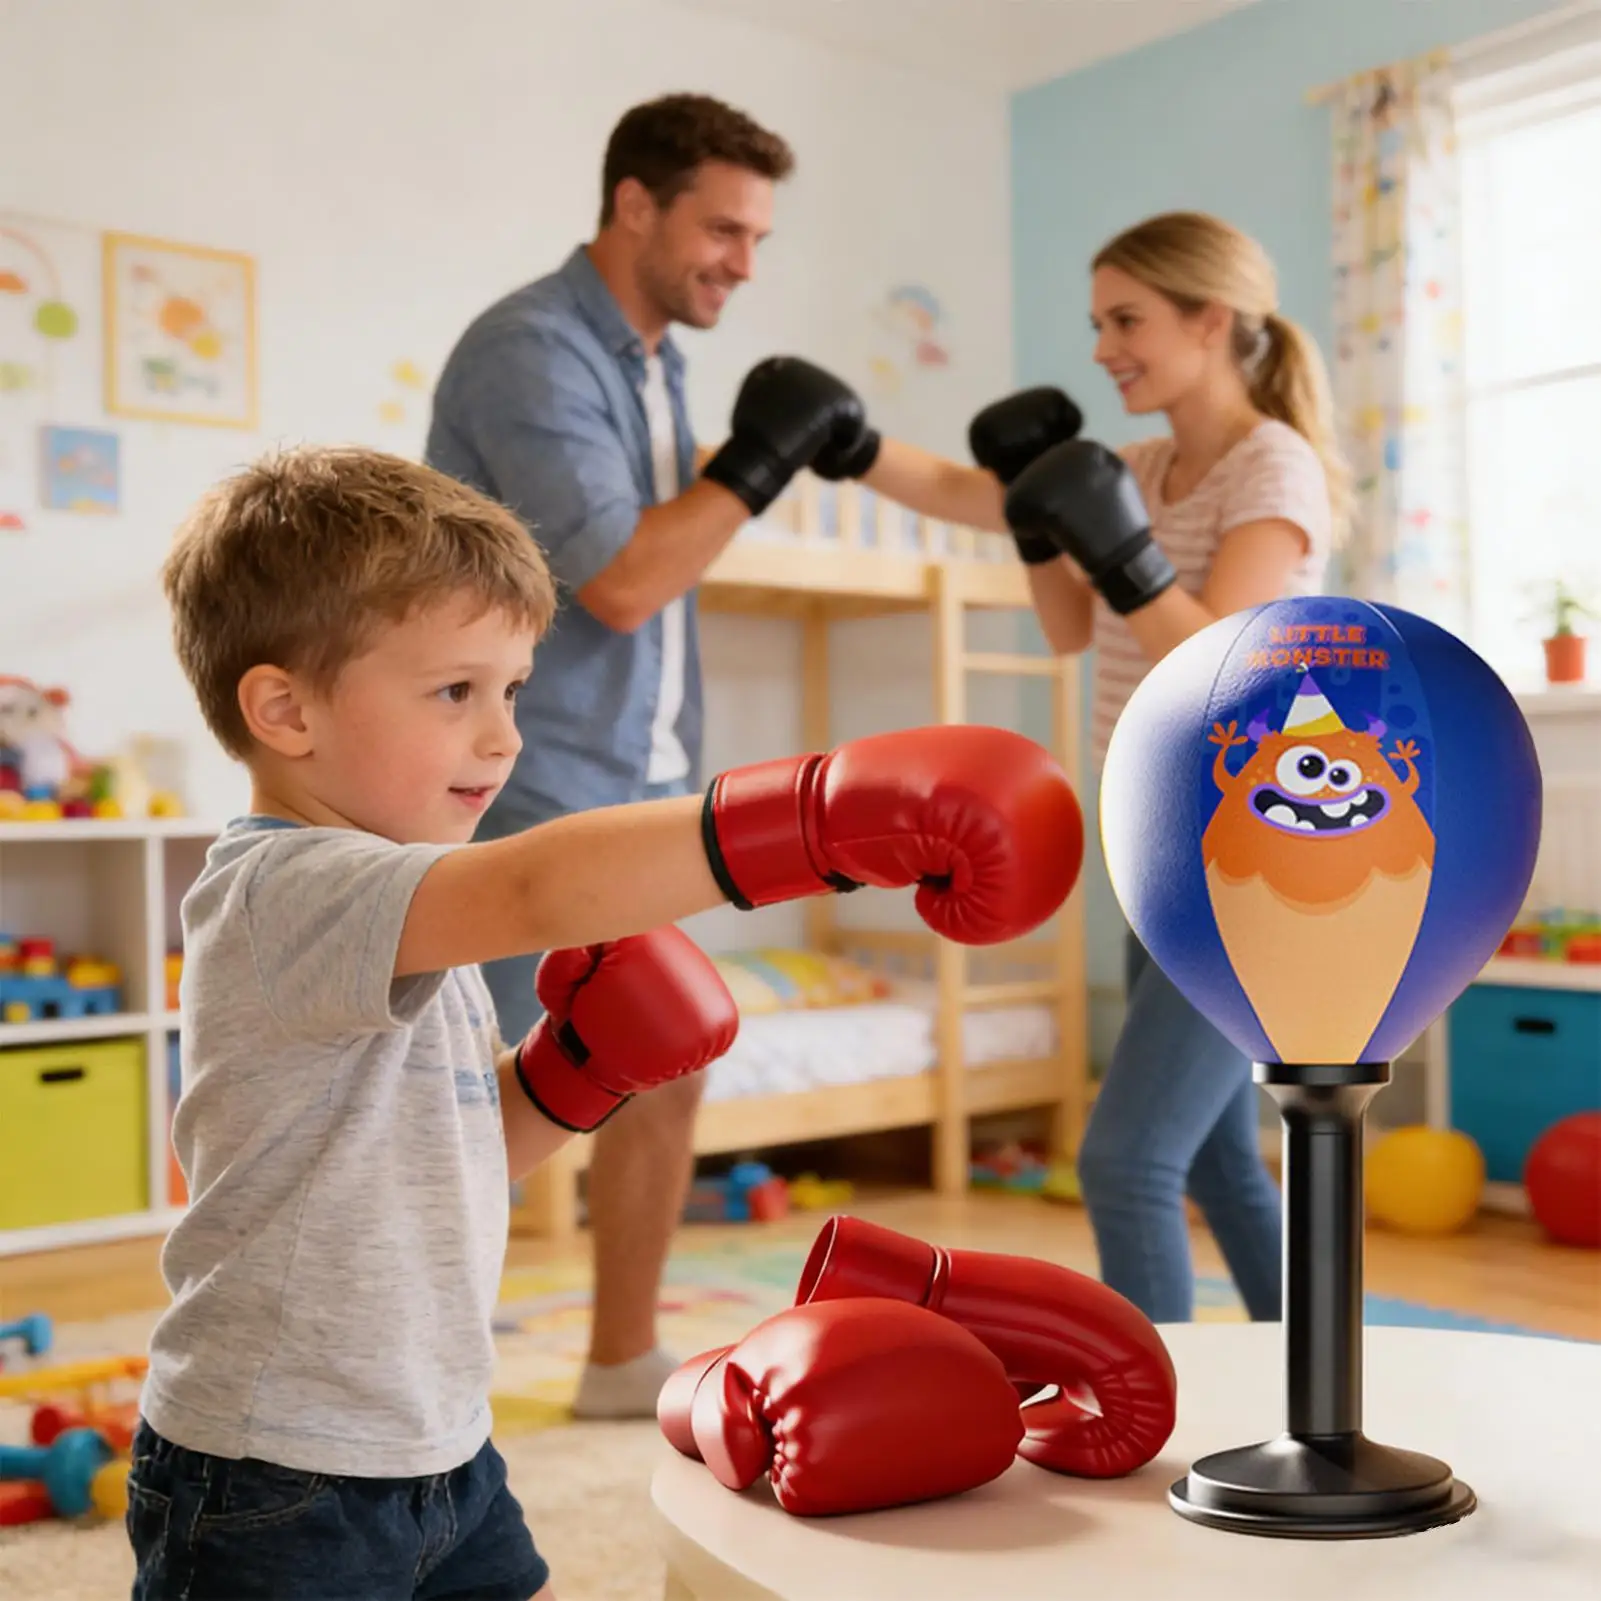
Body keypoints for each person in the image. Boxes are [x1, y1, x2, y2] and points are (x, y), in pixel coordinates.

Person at [129, 444, 1078, 1598]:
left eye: (512, 689)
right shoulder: (288, 890)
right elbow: (540, 886)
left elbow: (468, 1154)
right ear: (284, 709)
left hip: (436, 1440)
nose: (502, 736)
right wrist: (822, 821)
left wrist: (577, 1068)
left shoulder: (399, 899)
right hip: (270, 1468)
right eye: (454, 691)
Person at [424, 93, 876, 1419]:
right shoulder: (530, 350)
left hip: (640, 765)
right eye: (723, 227)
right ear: (635, 204)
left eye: (758, 235)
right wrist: (759, 458)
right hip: (525, 767)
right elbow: (619, 582)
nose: (743, 259)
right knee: (484, 1095)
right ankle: (398, 1392)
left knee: (660, 1059)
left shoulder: (650, 357)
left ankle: (622, 1362)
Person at [810, 210, 1347, 1325]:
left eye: (1125, 319)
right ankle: (1319, 1392)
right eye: (1096, 321)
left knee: (1125, 1158)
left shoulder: (1272, 466)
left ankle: (1152, 1437)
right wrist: (853, 447)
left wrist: (1124, 550)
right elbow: (1054, 608)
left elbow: (1230, 674)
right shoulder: (1137, 465)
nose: (1102, 346)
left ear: (1210, 321)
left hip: (1253, 849)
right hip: (1161, 840)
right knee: (1205, 1159)